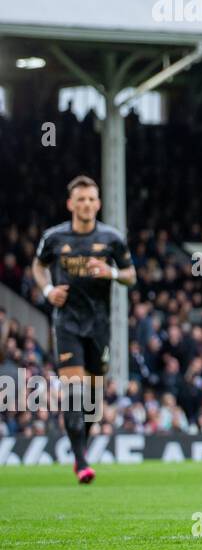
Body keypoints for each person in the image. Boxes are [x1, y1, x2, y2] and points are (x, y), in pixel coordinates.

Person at [31, 175, 137, 483]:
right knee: (74, 392)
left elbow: (132, 275)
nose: (86, 204)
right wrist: (48, 291)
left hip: (100, 326)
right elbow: (38, 266)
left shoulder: (112, 238)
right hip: (67, 322)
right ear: (71, 204)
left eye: (91, 199)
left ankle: (81, 451)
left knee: (92, 402)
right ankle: (80, 461)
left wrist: (112, 272)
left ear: (98, 203)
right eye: (81, 199)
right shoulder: (54, 238)